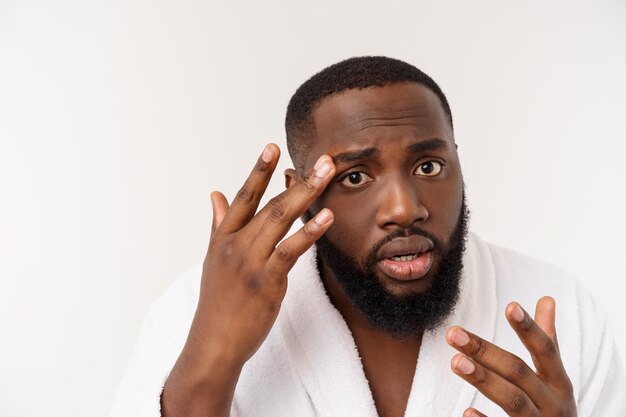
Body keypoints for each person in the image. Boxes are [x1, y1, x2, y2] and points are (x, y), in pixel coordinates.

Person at [109, 56, 625, 417]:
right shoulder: (192, 317)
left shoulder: (560, 317)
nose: (405, 209)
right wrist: (209, 361)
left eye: (428, 165)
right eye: (355, 177)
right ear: (302, 194)